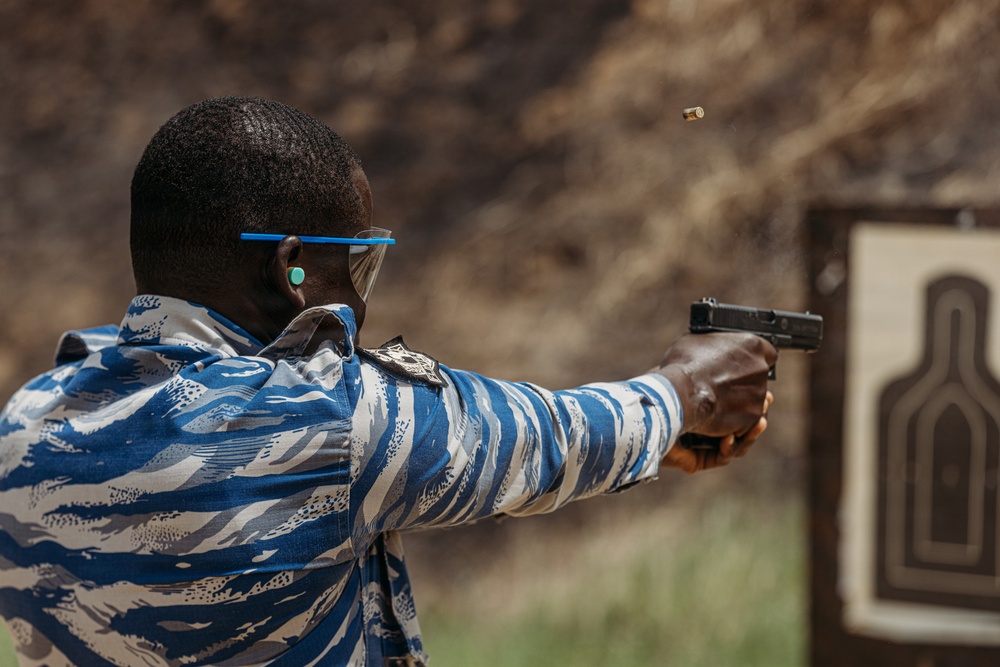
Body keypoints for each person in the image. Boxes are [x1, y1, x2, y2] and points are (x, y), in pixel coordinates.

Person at [0, 96, 776, 667]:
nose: (365, 293)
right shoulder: (322, 422)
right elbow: (544, 439)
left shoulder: (27, 424)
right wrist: (685, 394)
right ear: (291, 267)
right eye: (359, 261)